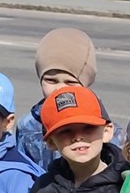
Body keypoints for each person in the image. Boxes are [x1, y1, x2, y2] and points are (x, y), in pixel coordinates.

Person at [15, 27, 99, 171]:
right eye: (51, 81)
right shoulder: (28, 126)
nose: (59, 89)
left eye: (70, 82)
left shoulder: (100, 123)